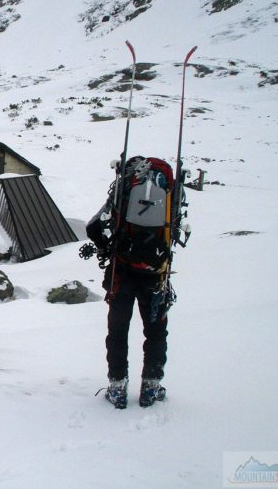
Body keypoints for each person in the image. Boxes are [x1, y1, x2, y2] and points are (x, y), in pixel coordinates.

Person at [86, 156, 177, 409]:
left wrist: (110, 248)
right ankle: (151, 387)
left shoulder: (123, 191)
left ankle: (117, 388)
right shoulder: (168, 192)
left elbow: (94, 227)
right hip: (156, 275)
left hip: (121, 273)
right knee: (156, 332)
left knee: (117, 332)